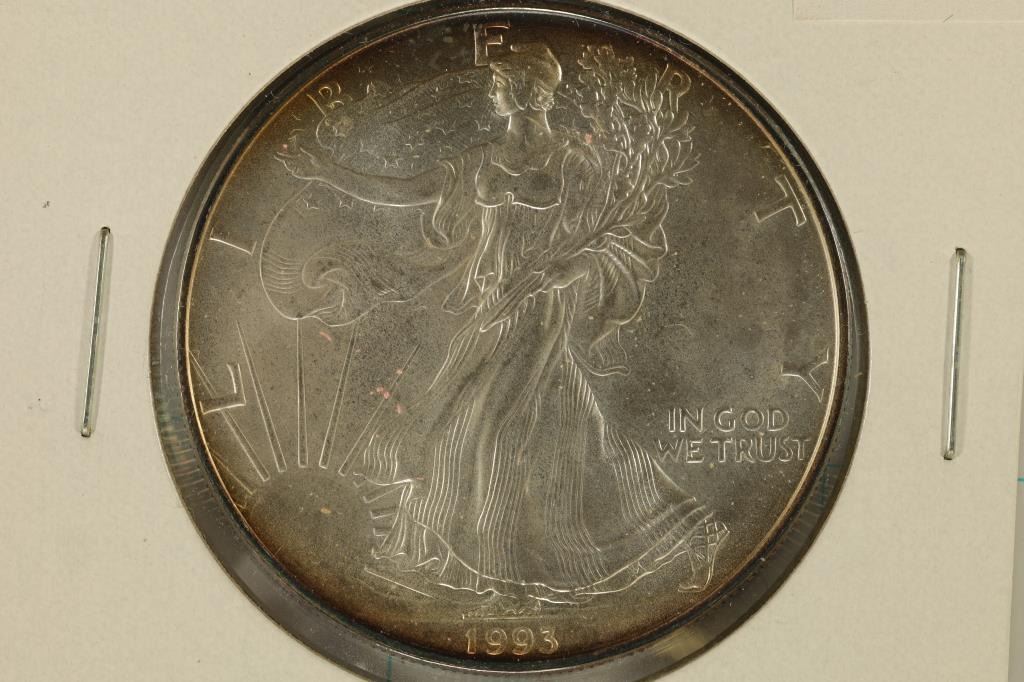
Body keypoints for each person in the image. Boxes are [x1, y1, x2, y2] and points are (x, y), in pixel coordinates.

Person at [276, 43, 726, 607]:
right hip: (493, 307)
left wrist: (562, 269)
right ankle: (675, 531)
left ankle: (498, 571)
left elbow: (609, 241)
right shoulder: (480, 159)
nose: (492, 93)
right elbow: (406, 191)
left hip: (540, 310)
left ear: (527, 91)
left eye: (499, 83)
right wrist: (327, 172)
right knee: (556, 427)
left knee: (487, 423)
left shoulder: (574, 164)